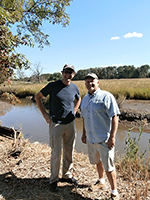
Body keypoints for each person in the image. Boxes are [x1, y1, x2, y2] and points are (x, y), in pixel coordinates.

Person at [35, 64, 81, 192]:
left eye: (71, 73)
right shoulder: (53, 85)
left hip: (70, 124)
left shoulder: (74, 87)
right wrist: (45, 114)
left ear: (74, 74)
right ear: (62, 73)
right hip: (56, 124)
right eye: (66, 72)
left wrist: (74, 111)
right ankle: (54, 179)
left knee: (69, 151)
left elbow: (79, 99)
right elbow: (37, 97)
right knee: (56, 153)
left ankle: (66, 176)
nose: (68, 75)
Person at [81, 73, 120, 200]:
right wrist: (84, 133)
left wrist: (112, 137)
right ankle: (101, 181)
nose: (89, 84)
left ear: (98, 82)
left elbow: (115, 116)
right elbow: (84, 117)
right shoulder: (85, 99)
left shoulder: (106, 96)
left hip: (104, 139)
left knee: (109, 166)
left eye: (92, 81)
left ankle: (114, 191)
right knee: (97, 161)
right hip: (91, 139)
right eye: (87, 81)